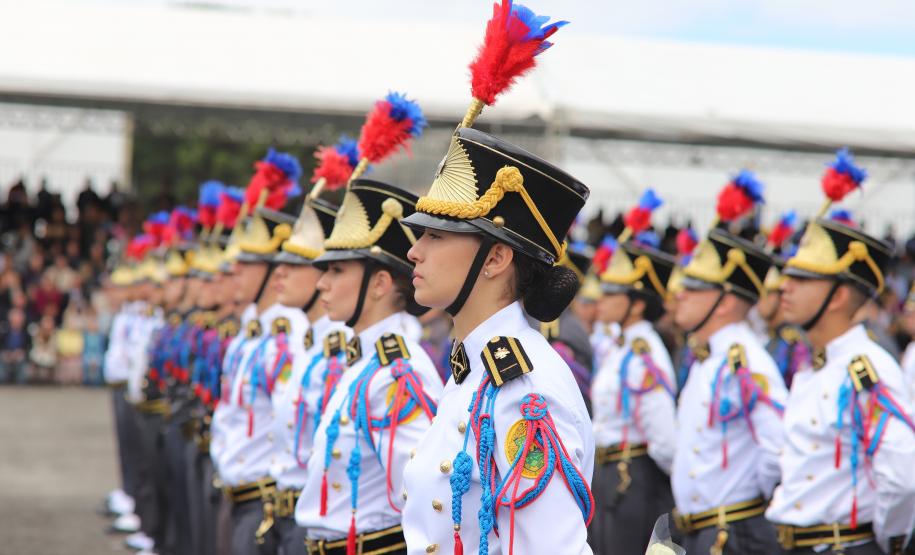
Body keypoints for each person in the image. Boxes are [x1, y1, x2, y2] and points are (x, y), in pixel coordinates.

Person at [295, 177, 443, 555]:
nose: (322, 284)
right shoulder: (366, 362)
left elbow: (420, 498)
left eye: (337, 271)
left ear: (379, 284)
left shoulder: (396, 373)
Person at [767, 214, 915, 554]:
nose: (784, 287)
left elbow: (903, 479)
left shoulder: (867, 369)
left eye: (801, 279)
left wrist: (872, 544)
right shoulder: (817, 365)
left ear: (836, 297)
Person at [671, 173, 787, 555]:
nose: (679, 295)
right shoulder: (710, 356)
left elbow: (776, 450)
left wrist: (747, 509)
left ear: (723, 302)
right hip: (701, 532)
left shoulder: (745, 362)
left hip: (732, 535)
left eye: (693, 289)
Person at [590, 196, 678, 554]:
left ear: (637, 303)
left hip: (634, 479)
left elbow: (664, 437)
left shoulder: (645, 353)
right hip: (612, 477)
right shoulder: (622, 345)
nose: (603, 299)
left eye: (614, 293)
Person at [263, 191, 341, 553]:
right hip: (282, 509)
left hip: (312, 521)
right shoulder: (307, 345)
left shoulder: (339, 355)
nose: (278, 272)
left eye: (295, 264)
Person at [0, 307, 31, 384]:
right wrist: (5, 353)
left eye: (19, 318)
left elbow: (29, 347)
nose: (16, 320)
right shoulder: (4, 332)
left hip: (20, 358)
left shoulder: (26, 333)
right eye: (14, 318)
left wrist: (22, 352)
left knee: (22, 373)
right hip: (5, 357)